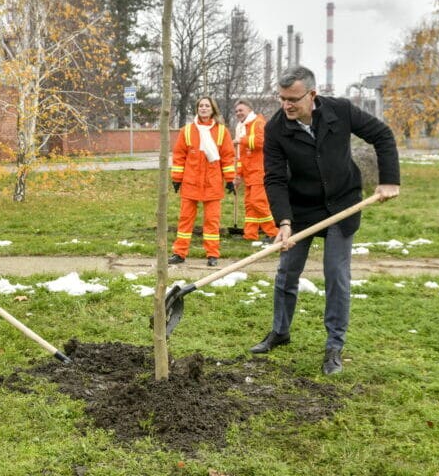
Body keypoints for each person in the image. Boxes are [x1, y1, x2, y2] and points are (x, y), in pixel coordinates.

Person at [253, 66, 400, 376]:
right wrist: (284, 222)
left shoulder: (340, 110)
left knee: (336, 275)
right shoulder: (276, 128)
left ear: (312, 94)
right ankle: (280, 331)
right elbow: (275, 178)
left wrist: (389, 180)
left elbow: (382, 135)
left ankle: (334, 346)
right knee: (287, 272)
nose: (286, 105)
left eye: (293, 99)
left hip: (342, 204)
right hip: (301, 209)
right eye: (282, 98)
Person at [170, 96, 236, 267]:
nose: (204, 108)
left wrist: (230, 179)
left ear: (213, 109)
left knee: (212, 221)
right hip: (190, 182)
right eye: (201, 106)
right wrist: (176, 178)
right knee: (185, 219)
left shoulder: (222, 131)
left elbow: (228, 156)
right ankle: (179, 253)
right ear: (197, 109)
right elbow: (179, 155)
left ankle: (212, 254)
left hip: (212, 183)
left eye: (207, 106)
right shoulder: (187, 131)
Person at [233, 99, 278, 242]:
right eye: (236, 111)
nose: (238, 113)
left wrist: (241, 140)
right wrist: (238, 174)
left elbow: (261, 141)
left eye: (241, 110)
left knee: (258, 202)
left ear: (249, 109)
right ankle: (250, 234)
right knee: (250, 204)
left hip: (259, 171)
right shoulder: (242, 127)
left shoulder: (258, 123)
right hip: (249, 173)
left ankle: (273, 232)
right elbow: (241, 155)